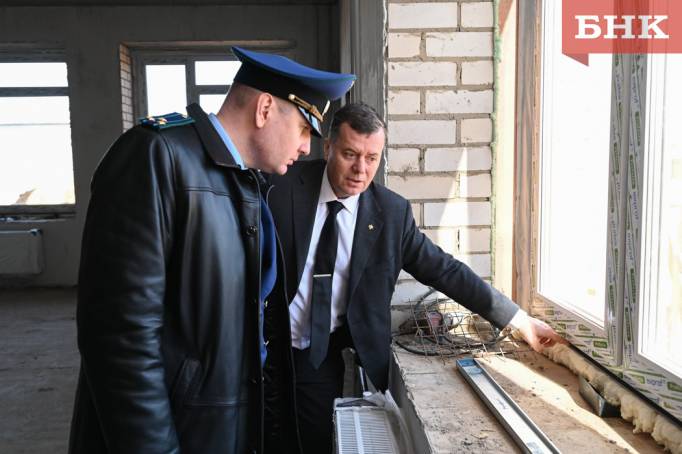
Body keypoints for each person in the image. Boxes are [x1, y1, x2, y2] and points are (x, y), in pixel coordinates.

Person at [68, 47, 355, 454]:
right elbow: (119, 340)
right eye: (304, 129)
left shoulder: (244, 182)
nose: (307, 148)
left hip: (215, 428)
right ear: (265, 109)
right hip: (175, 433)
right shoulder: (156, 156)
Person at [268, 102, 566, 453]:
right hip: (263, 346)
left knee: (312, 444)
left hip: (317, 356)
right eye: (350, 154)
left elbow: (444, 269)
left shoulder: (391, 213)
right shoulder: (282, 186)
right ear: (329, 147)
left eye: (372, 158)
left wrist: (518, 319)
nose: (361, 169)